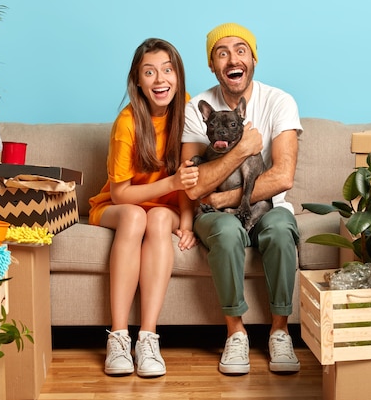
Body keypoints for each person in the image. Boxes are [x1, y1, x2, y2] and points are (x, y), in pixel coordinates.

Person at [182, 23, 303, 375]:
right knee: (227, 231)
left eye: (240, 50)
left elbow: (282, 177)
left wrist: (226, 200)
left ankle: (280, 332)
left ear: (252, 58)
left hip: (265, 207)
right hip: (212, 211)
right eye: (222, 52)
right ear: (211, 64)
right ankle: (236, 333)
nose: (232, 58)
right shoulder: (196, 108)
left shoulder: (279, 101)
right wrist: (241, 150)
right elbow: (192, 186)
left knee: (281, 228)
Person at [88, 38, 199, 378]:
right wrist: (171, 184)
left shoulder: (190, 111)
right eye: (149, 72)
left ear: (178, 76)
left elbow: (189, 177)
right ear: (137, 80)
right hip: (119, 204)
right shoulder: (127, 122)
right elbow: (121, 195)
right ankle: (118, 337)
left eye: (167, 70)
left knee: (160, 218)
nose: (159, 79)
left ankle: (148, 339)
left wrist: (187, 220)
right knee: (138, 216)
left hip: (162, 206)